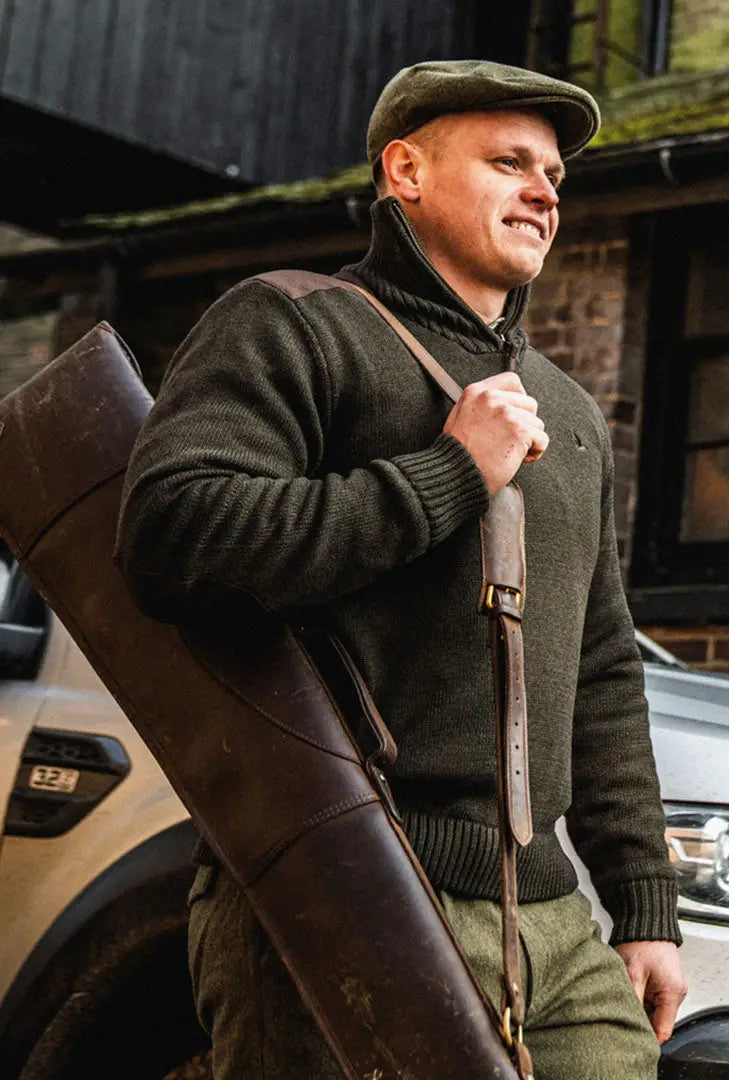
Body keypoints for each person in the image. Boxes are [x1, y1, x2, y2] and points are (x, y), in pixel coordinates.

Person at [116, 59, 686, 1080]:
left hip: (553, 924)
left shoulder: (570, 412)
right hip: (348, 885)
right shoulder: (293, 324)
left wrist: (643, 907)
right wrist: (447, 473)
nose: (546, 191)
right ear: (407, 171)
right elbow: (172, 536)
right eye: (509, 162)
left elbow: (600, 671)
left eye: (554, 173)